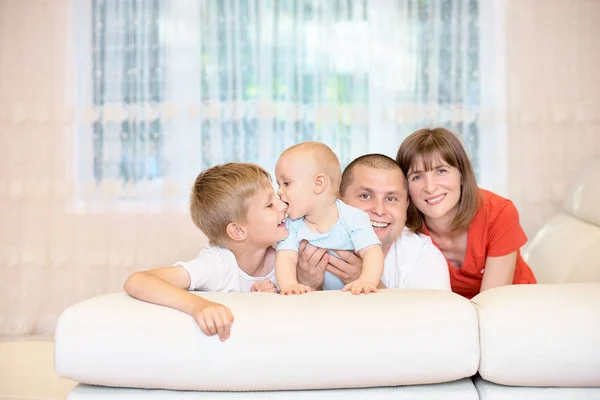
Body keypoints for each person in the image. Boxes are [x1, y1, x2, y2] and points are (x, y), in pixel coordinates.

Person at [123, 163, 288, 341]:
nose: (283, 204)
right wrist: (198, 305)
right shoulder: (217, 264)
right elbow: (137, 281)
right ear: (238, 231)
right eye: (270, 204)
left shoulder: (286, 251)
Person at [396, 127, 536, 299]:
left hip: (513, 308)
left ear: (462, 174)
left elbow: (491, 304)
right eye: (417, 177)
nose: (430, 187)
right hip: (452, 315)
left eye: (441, 171)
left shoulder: (498, 213)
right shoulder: (401, 227)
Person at [296, 154, 450, 291]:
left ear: (406, 206)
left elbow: (437, 322)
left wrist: (370, 282)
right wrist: (306, 284)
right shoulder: (302, 240)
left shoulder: (424, 257)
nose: (379, 210)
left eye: (391, 199)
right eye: (365, 196)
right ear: (338, 199)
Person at [274, 142, 384, 295]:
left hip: (353, 297)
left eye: (286, 183)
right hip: (317, 302)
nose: (279, 191)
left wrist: (367, 280)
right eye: (278, 184)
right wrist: (290, 284)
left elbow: (372, 252)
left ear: (318, 184)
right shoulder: (292, 223)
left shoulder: (352, 217)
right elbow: (285, 257)